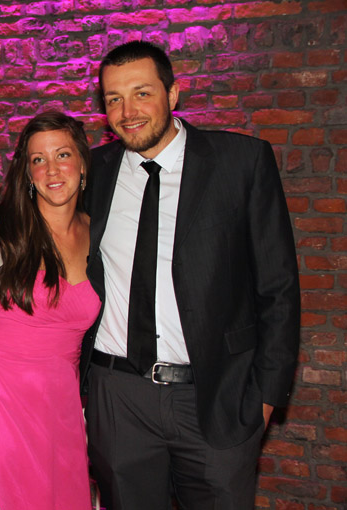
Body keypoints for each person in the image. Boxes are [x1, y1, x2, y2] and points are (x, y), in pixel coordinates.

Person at [81, 40, 300, 509]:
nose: (128, 112)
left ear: (173, 93)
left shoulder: (240, 162)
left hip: (216, 397)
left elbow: (278, 288)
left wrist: (264, 399)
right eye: (114, 99)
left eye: (142, 93)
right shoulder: (92, 172)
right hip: (118, 398)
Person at [0, 112, 100, 509]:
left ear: (82, 164)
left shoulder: (101, 233)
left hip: (62, 403)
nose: (52, 170)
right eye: (38, 160)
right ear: (27, 173)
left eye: (63, 155)